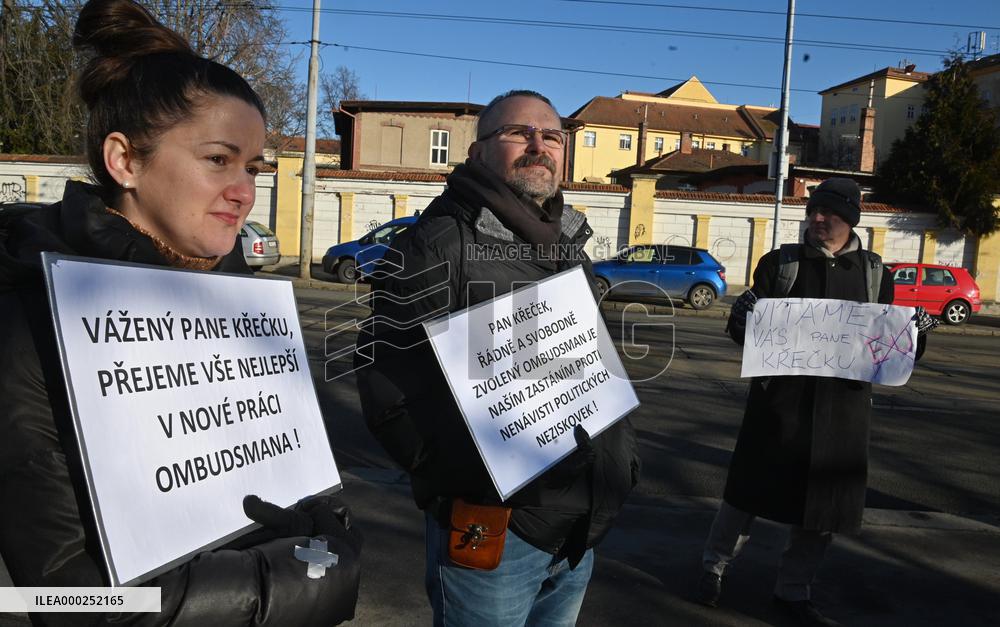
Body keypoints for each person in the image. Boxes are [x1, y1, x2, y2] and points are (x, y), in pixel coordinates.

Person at [0, 1, 360, 624]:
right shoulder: (29, 323)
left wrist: (325, 535)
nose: (245, 189)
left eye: (252, 167)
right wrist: (306, 582)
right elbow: (61, 600)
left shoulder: (243, 311)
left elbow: (305, 498)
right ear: (126, 161)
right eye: (219, 159)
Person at [355, 90, 641, 626]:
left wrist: (621, 460)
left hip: (577, 532)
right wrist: (483, 484)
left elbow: (590, 369)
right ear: (478, 151)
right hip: (495, 536)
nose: (539, 145)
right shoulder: (437, 244)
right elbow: (388, 389)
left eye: (551, 135)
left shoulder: (566, 244)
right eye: (518, 133)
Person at [695, 178, 934, 627]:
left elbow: (887, 350)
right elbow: (746, 336)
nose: (819, 219)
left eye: (832, 214)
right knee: (744, 495)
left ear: (852, 221)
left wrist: (916, 335)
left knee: (821, 508)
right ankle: (713, 567)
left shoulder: (875, 273)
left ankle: (793, 591)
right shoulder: (780, 263)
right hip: (778, 406)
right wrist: (741, 318)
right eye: (815, 211)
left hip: (841, 414)